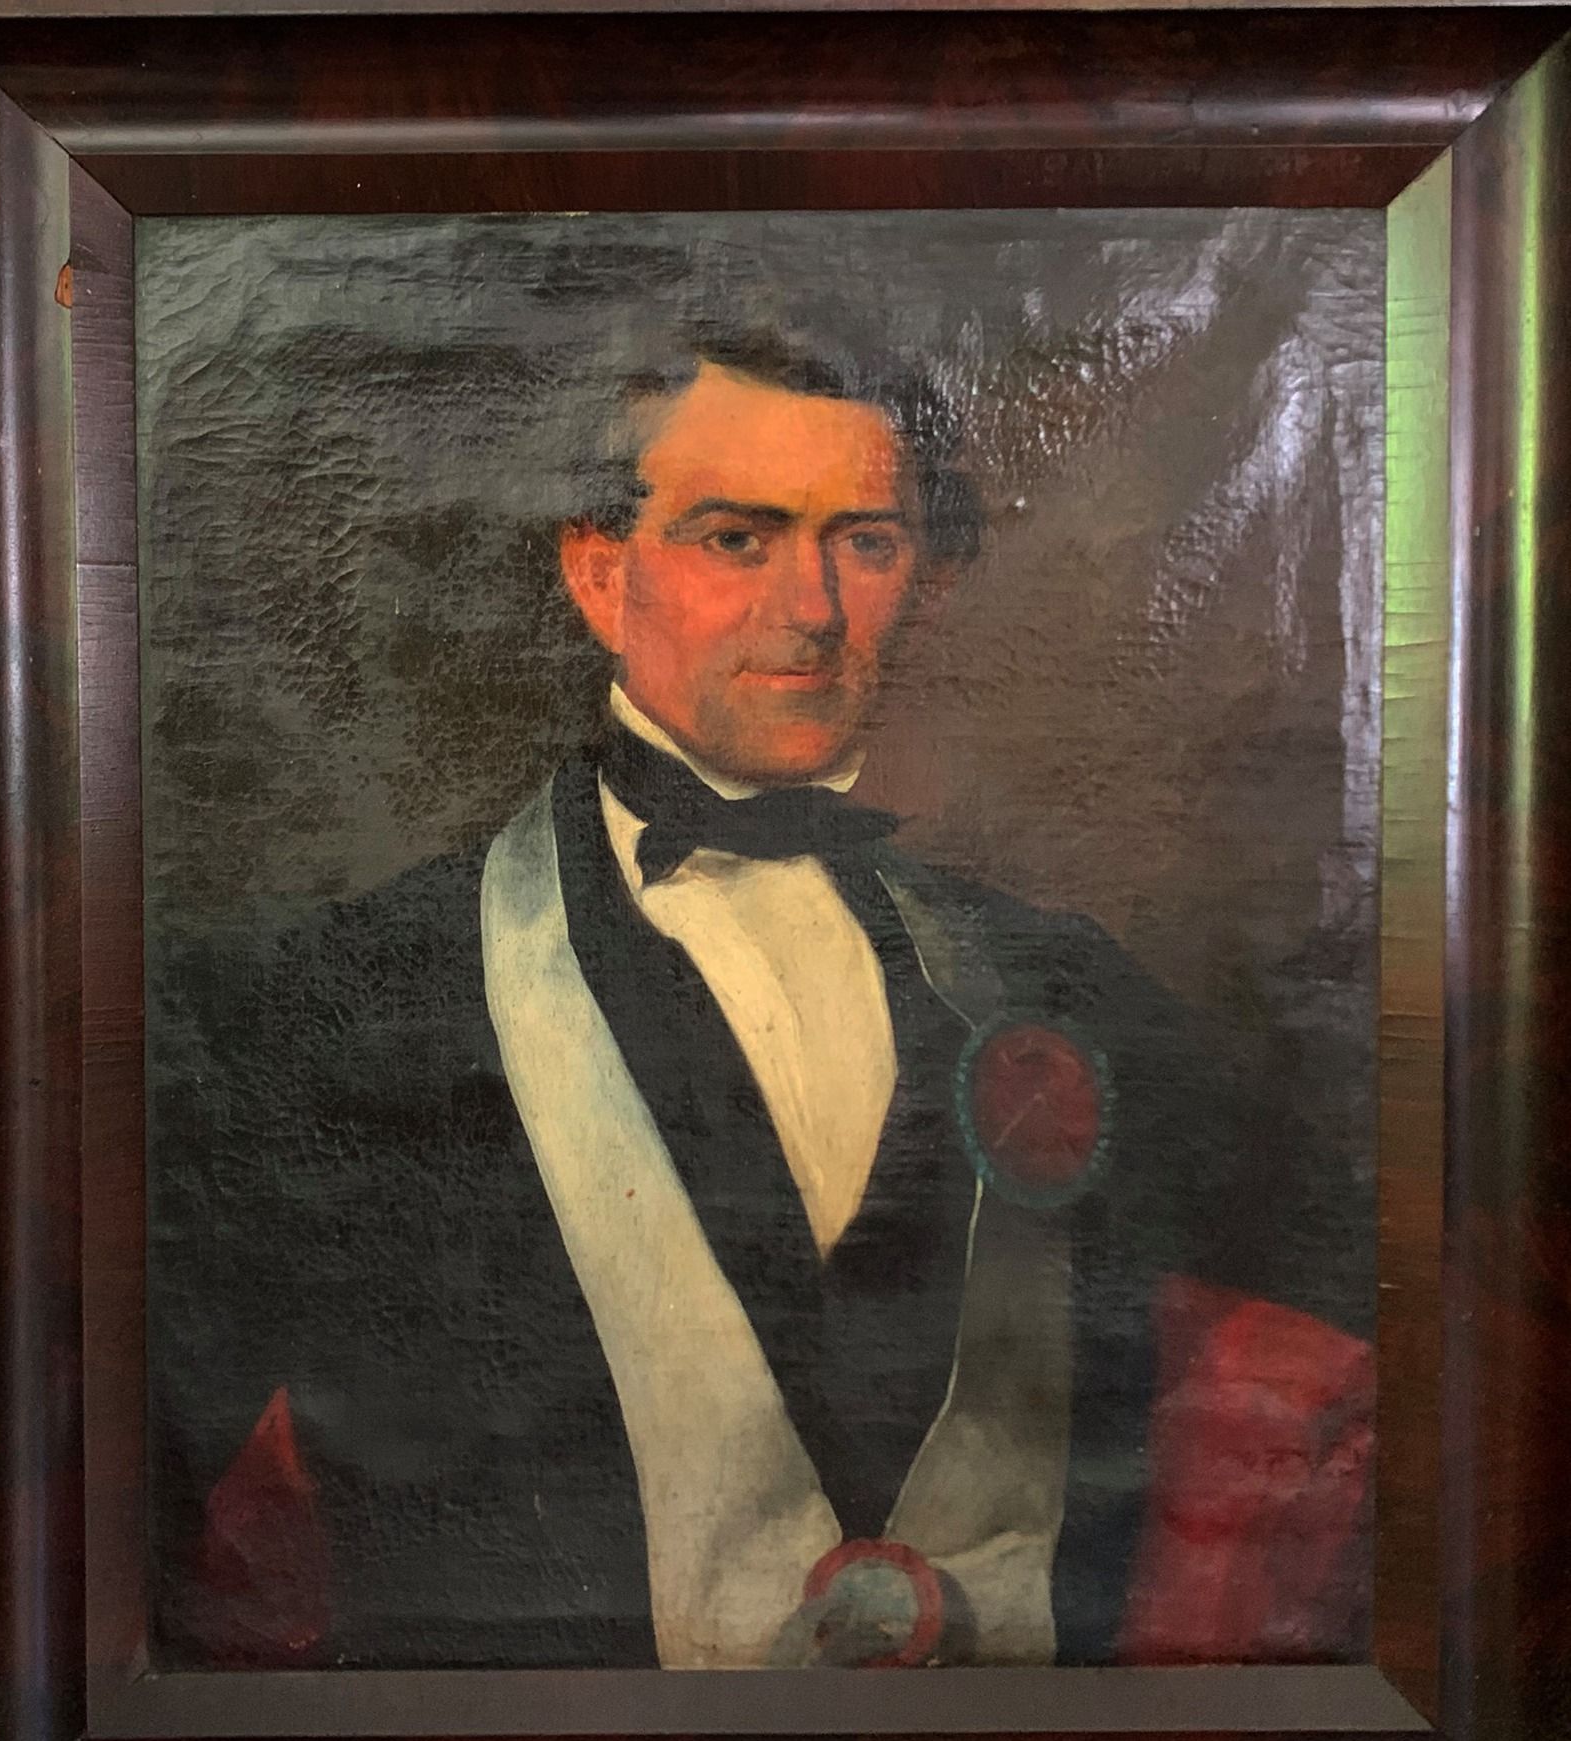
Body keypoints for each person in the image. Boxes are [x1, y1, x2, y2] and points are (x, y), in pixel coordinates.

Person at [149, 322, 1372, 1673]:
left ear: (925, 580)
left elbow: (1377, 1278)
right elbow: (144, 1513)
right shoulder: (337, 999)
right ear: (601, 574)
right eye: (736, 538)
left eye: (865, 542)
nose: (812, 610)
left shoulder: (1050, 978)